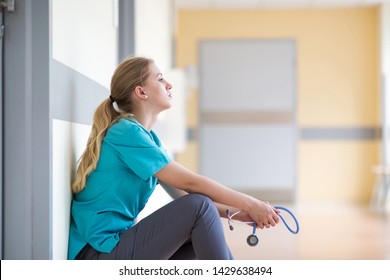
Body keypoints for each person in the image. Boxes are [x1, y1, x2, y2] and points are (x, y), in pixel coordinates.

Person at [68, 56, 280, 260]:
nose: (169, 85)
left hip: (114, 248)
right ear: (141, 92)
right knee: (199, 207)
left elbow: (183, 195)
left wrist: (237, 214)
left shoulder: (146, 137)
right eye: (160, 79)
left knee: (200, 210)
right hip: (97, 255)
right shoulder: (125, 132)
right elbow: (190, 183)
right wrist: (251, 204)